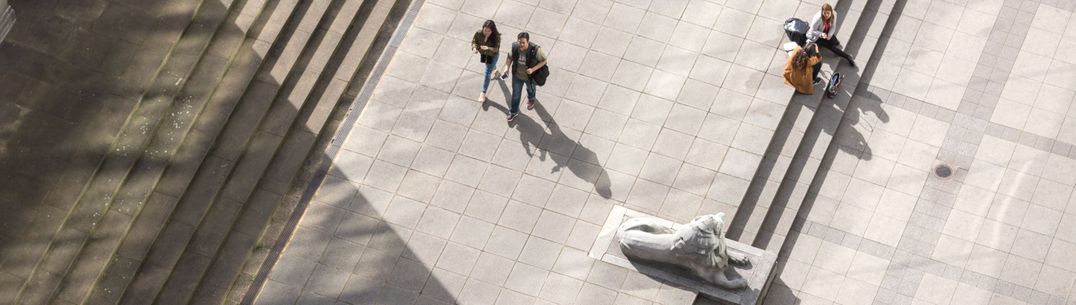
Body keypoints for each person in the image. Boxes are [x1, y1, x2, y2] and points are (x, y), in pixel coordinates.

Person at [500, 32, 546, 121]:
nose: (521, 44)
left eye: (523, 42)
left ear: (527, 42)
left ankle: (531, 99)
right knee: (516, 94)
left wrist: (533, 69)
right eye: (519, 42)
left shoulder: (535, 50)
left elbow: (544, 60)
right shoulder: (515, 48)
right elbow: (509, 57)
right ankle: (513, 112)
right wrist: (507, 68)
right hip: (517, 76)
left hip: (530, 77)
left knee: (530, 89)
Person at [472, 20, 501, 102]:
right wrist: (474, 48)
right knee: (490, 66)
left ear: (492, 30)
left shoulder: (496, 37)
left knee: (487, 73)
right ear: (483, 28)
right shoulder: (478, 33)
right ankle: (496, 72)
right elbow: (474, 41)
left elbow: (496, 49)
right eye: (485, 30)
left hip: (493, 55)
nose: (486, 32)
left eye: (489, 31)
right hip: (483, 54)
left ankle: (483, 93)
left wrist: (488, 48)